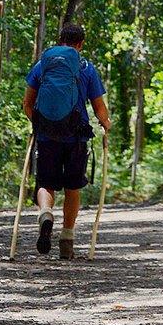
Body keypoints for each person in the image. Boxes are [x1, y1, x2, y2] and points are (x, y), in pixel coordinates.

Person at [23, 23, 111, 260]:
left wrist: (40, 124)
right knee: (73, 187)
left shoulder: (43, 65)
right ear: (80, 44)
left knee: (45, 182)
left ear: (59, 40)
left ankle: (45, 213)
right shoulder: (86, 68)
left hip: (47, 135)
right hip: (76, 137)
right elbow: (98, 107)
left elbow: (27, 104)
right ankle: (67, 239)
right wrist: (106, 124)